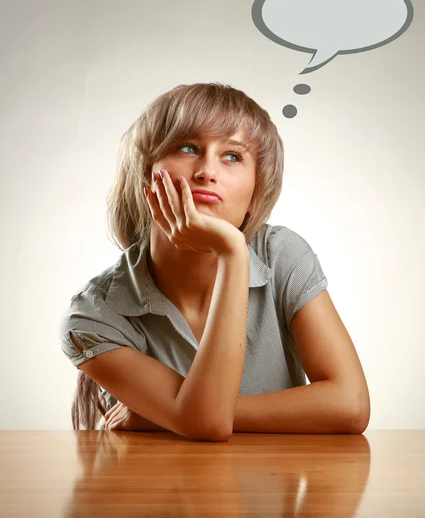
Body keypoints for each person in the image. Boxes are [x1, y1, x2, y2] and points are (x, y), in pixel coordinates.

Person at [59, 82, 330, 434]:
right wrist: (232, 252)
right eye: (188, 147)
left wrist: (170, 416)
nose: (207, 171)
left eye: (232, 155)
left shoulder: (282, 256)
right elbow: (208, 423)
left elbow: (351, 404)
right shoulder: (92, 317)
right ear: (146, 176)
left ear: (254, 196)